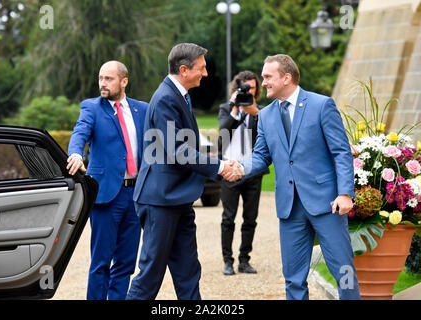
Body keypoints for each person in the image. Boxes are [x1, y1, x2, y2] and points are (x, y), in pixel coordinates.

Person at [224, 54, 361, 300]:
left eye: (268, 77)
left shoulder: (322, 105)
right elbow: (261, 156)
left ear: (286, 77)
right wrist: (241, 168)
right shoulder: (265, 116)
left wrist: (345, 193)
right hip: (289, 207)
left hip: (328, 203)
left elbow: (341, 152)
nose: (263, 82)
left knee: (344, 271)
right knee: (293, 278)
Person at [126, 43, 233, 300]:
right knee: (150, 275)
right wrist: (220, 166)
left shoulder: (179, 95)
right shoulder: (165, 98)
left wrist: (217, 161)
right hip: (159, 200)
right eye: (202, 68)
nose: (205, 74)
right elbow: (178, 151)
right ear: (183, 70)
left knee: (188, 271)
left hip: (178, 198)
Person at [67, 61, 148, 300]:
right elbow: (80, 132)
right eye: (101, 78)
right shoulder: (91, 107)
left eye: (109, 79)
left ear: (124, 81)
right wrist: (75, 153)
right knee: (101, 262)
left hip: (135, 195)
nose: (103, 83)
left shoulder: (141, 109)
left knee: (126, 262)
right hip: (106, 195)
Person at [218, 71, 269, 276]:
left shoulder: (261, 111)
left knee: (250, 218)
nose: (248, 92)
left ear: (257, 90)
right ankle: (227, 261)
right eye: (244, 89)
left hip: (252, 171)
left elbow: (267, 134)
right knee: (228, 218)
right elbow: (223, 135)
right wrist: (235, 109)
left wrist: (253, 111)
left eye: (252, 88)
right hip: (230, 169)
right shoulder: (226, 109)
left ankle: (244, 259)